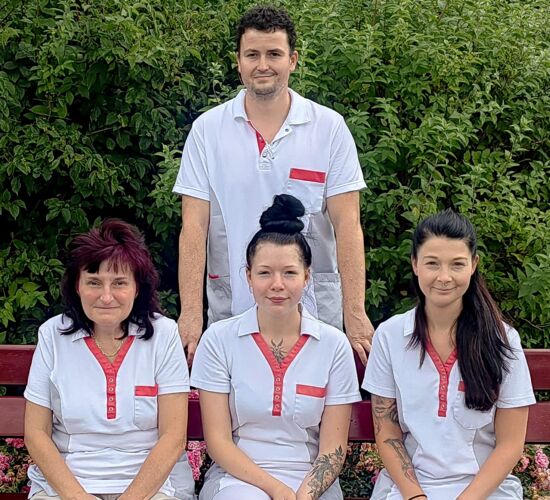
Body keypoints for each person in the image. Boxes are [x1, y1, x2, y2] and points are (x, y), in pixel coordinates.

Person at [173, 5, 373, 365]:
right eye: (252, 54)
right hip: (232, 309)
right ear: (238, 62)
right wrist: (190, 314)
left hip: (313, 313)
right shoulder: (207, 130)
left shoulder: (328, 128)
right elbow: (194, 227)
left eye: (274, 54)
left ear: (292, 60)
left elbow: (349, 226)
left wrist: (355, 312)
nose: (262, 65)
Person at [190, 194, 361, 500]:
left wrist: (302, 495)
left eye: (290, 273)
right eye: (265, 272)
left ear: (307, 276)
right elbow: (218, 443)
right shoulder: (219, 340)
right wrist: (276, 490)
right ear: (248, 276)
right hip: (237, 479)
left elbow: (332, 450)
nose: (277, 284)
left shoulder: (333, 345)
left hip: (312, 481)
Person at [363, 209, 536, 499]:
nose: (444, 277)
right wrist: (416, 496)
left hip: (484, 490)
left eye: (457, 264)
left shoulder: (502, 340)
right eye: (432, 263)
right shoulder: (390, 336)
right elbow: (388, 433)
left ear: (473, 264)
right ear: (415, 264)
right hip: (409, 489)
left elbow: (510, 444)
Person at [24, 219, 195, 500]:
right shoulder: (52, 335)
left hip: (153, 487)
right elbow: (36, 433)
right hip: (67, 486)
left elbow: (173, 437)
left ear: (137, 287)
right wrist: (78, 497)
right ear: (77, 286)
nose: (106, 297)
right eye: (94, 282)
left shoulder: (164, 335)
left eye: (119, 283)